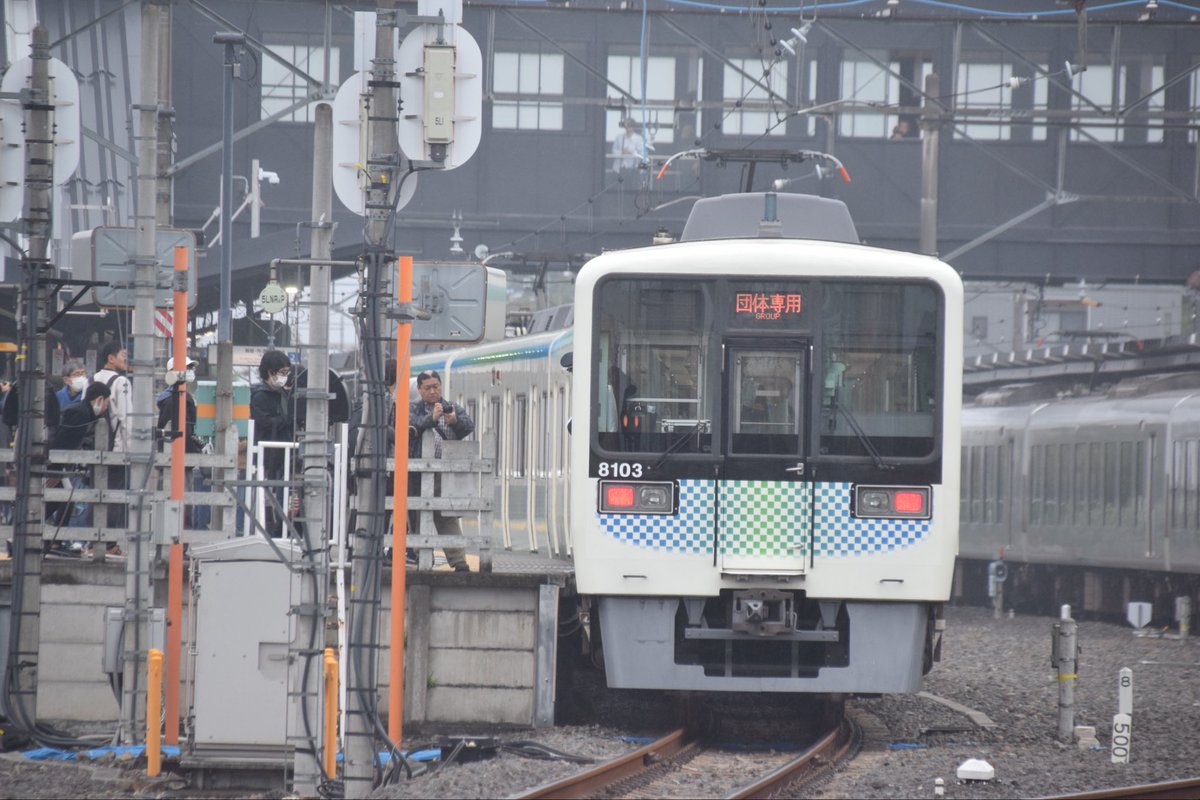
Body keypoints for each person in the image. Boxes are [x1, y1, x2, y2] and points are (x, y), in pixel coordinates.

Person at [409, 369, 474, 572]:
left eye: (435, 386)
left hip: (445, 471)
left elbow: (468, 426)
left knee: (447, 515)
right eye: (427, 388)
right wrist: (431, 418)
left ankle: (459, 561)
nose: (432, 391)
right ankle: (421, 558)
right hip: (418, 471)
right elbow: (411, 426)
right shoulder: (413, 409)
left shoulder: (452, 407)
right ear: (419, 389)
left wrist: (454, 421)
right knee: (417, 515)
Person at [46, 381, 112, 548]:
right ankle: (52, 539)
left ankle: (55, 540)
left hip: (62, 466)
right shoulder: (81, 414)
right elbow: (63, 442)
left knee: (64, 501)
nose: (106, 408)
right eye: (106, 403)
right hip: (58, 466)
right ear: (99, 399)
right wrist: (55, 471)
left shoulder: (83, 412)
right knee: (58, 501)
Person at [156, 355, 210, 529]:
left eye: (190, 369)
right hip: (180, 456)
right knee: (181, 499)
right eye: (187, 369)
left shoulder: (173, 397)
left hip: (173, 455)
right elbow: (187, 429)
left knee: (172, 498)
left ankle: (174, 539)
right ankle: (179, 541)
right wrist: (197, 446)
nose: (190, 372)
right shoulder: (179, 398)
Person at [250, 350, 295, 536]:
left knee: (283, 495)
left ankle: (280, 529)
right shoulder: (259, 396)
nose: (285, 377)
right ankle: (267, 531)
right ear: (270, 372)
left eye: (287, 373)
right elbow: (265, 422)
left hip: (284, 455)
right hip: (267, 456)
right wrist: (286, 420)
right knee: (266, 497)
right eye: (282, 372)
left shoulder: (283, 394)